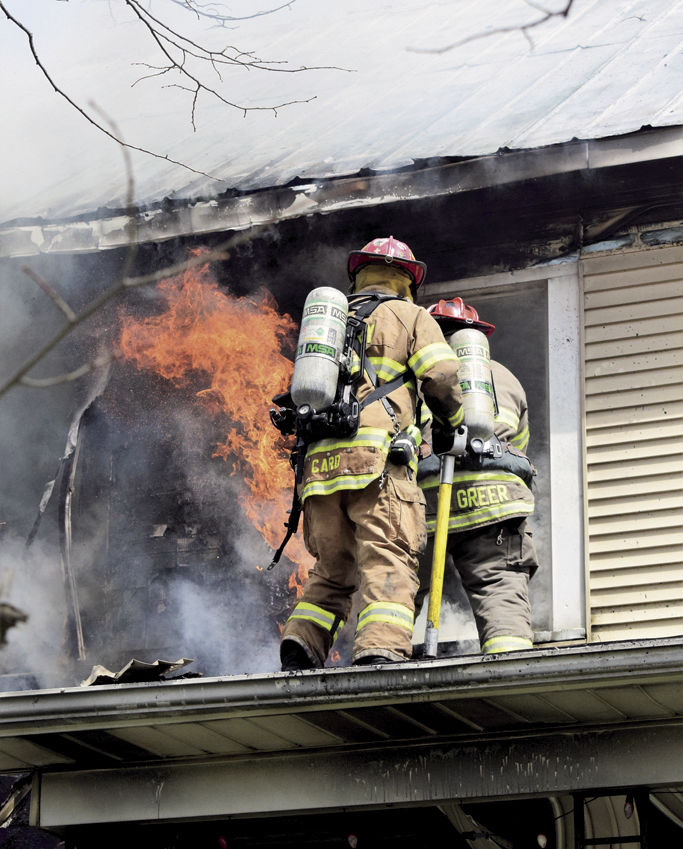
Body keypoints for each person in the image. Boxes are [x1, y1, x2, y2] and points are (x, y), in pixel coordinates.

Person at [279, 237, 463, 670]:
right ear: (408, 281)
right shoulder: (411, 315)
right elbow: (440, 375)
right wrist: (452, 424)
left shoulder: (329, 324)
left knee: (332, 569)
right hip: (378, 463)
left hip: (319, 471)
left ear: (358, 275)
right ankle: (380, 646)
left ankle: (302, 642)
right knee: (388, 555)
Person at [416, 298, 539, 654]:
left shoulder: (419, 372)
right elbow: (520, 448)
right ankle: (510, 663)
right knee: (501, 586)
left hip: (428, 498)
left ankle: (379, 661)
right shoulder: (507, 379)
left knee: (397, 588)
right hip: (496, 502)